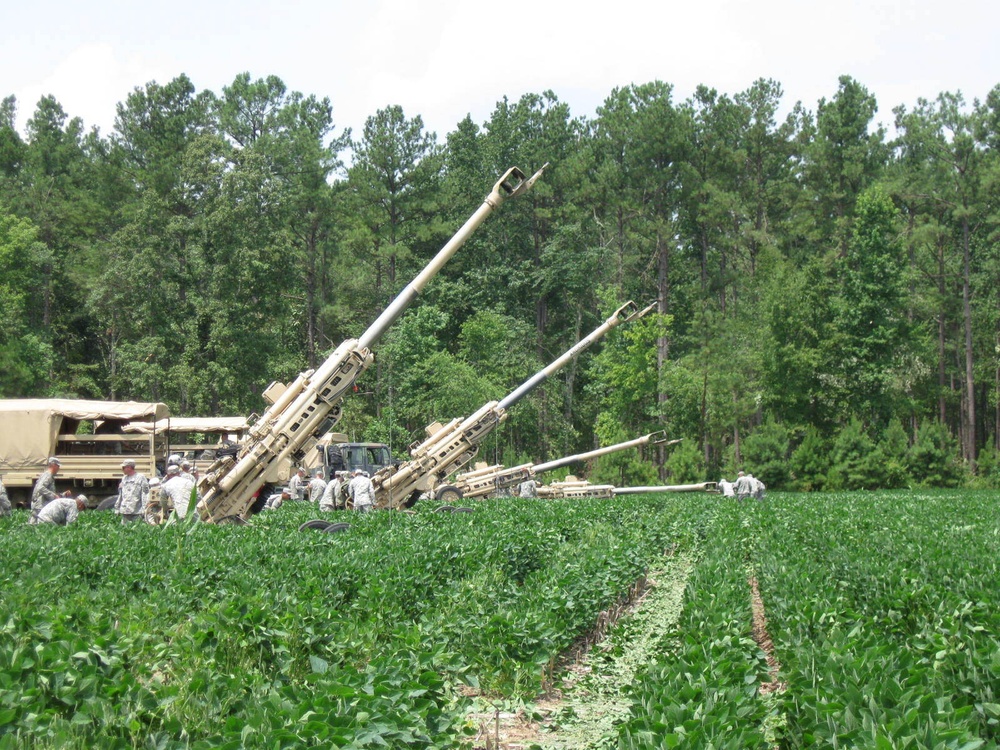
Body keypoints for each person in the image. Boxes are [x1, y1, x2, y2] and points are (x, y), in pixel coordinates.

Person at [115, 458, 150, 524]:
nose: (122, 469)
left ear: (129, 467)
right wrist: (117, 508)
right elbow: (121, 494)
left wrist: (144, 509)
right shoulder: (124, 478)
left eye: (123, 467)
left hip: (136, 511)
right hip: (125, 510)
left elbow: (145, 494)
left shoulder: (140, 477)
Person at [30, 457, 64, 524]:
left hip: (41, 503)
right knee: (36, 523)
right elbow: (40, 487)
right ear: (53, 465)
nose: (59, 468)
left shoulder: (48, 475)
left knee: (35, 523)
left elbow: (48, 490)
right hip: (40, 504)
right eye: (58, 466)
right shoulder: (48, 475)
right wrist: (53, 496)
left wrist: (61, 494)